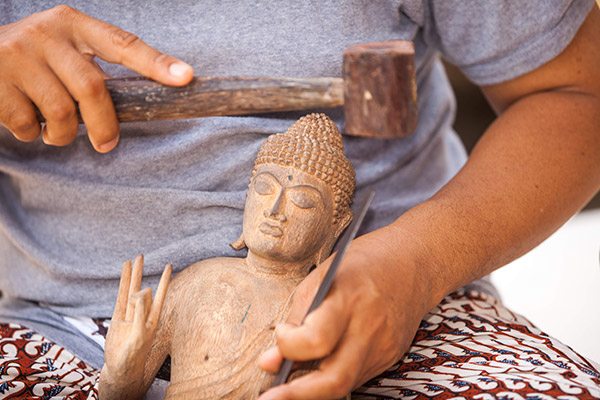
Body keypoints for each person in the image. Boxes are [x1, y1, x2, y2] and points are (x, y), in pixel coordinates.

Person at [0, 1, 598, 399]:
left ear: (337, 224)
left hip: (393, 301)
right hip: (63, 320)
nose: (277, 211)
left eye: (303, 200)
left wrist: (418, 264)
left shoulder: (388, 270)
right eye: (265, 190)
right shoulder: (193, 289)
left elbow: (576, 95)